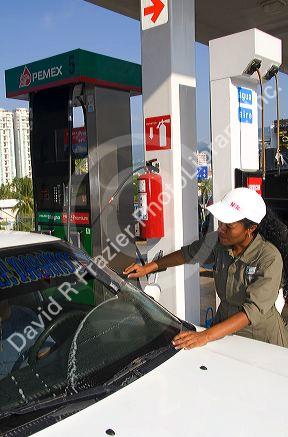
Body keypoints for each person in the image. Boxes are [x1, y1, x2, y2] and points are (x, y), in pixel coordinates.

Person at [124, 188, 288, 349]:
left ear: (250, 229)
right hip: (223, 331)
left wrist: (205, 335)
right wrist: (148, 268)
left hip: (259, 339)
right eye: (220, 222)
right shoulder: (219, 242)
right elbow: (187, 254)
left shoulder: (268, 258)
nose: (221, 229)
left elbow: (252, 311)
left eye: (228, 226)